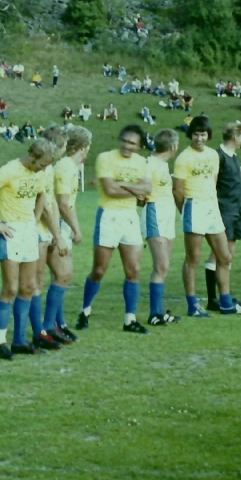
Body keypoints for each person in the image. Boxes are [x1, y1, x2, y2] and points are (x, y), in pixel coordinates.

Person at [0, 139, 55, 358]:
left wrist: (34, 220)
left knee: (28, 287)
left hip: (29, 232)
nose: (43, 169)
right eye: (42, 164)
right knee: (10, 288)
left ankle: (19, 341)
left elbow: (41, 194)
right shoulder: (10, 170)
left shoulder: (39, 172)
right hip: (10, 232)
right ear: (33, 156)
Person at [75, 125, 152, 334]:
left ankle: (130, 319)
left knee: (133, 270)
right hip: (109, 215)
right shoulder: (106, 158)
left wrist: (123, 184)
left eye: (132, 143)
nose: (127, 146)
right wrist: (134, 189)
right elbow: (110, 189)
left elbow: (147, 190)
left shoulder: (142, 162)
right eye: (124, 141)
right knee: (99, 269)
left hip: (130, 217)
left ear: (139, 146)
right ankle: (85, 310)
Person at [172, 116, 241, 316]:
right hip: (194, 206)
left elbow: (213, 182)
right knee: (193, 258)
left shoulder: (213, 155)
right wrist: (185, 211)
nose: (199, 138)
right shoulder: (183, 158)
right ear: (191, 135)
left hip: (212, 208)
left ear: (208, 135)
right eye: (196, 134)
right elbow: (177, 190)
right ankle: (193, 304)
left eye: (203, 134)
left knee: (225, 256)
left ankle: (225, 302)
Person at [46, 126, 91, 340]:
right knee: (62, 275)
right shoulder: (66, 167)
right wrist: (76, 229)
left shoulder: (68, 166)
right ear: (83, 147)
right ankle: (50, 325)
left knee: (63, 276)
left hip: (60, 224)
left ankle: (59, 323)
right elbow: (63, 203)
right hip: (57, 224)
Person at [202, 124, 241, 310]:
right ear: (235, 137)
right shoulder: (217, 156)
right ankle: (213, 298)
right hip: (223, 210)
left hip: (235, 210)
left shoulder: (234, 156)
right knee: (218, 254)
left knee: (229, 254)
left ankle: (224, 294)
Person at [34, 126, 71, 349]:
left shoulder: (48, 169)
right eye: (64, 145)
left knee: (63, 274)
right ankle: (40, 331)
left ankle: (49, 326)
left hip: (48, 230)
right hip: (38, 230)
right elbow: (44, 207)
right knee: (36, 282)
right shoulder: (41, 169)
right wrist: (58, 235)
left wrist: (57, 231)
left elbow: (52, 204)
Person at [141, 129, 182, 325]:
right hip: (154, 214)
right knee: (161, 265)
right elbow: (143, 193)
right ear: (173, 146)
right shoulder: (149, 164)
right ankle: (153, 314)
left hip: (167, 216)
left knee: (164, 267)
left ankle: (159, 311)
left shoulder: (163, 165)